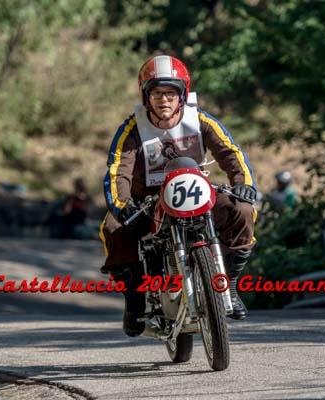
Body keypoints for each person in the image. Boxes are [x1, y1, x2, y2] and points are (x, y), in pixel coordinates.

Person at [99, 55, 258, 336]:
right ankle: (134, 300)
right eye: (157, 93)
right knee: (113, 228)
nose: (164, 100)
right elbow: (117, 171)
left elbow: (231, 153)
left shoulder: (202, 120)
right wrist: (122, 204)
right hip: (149, 201)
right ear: (146, 96)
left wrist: (244, 184)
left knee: (243, 210)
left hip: (197, 190)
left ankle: (230, 285)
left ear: (182, 94)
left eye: (170, 93)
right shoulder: (131, 130)